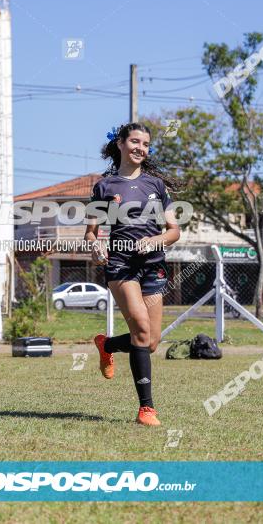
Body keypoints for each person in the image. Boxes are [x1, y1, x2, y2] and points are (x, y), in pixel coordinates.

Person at [84, 122, 182, 426]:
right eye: (136, 142)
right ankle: (146, 409)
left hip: (153, 265)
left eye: (146, 144)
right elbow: (90, 233)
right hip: (121, 266)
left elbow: (174, 231)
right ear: (121, 144)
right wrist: (96, 247)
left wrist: (156, 240)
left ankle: (108, 345)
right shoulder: (105, 187)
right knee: (140, 329)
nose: (141, 148)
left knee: (151, 341)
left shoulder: (156, 186)